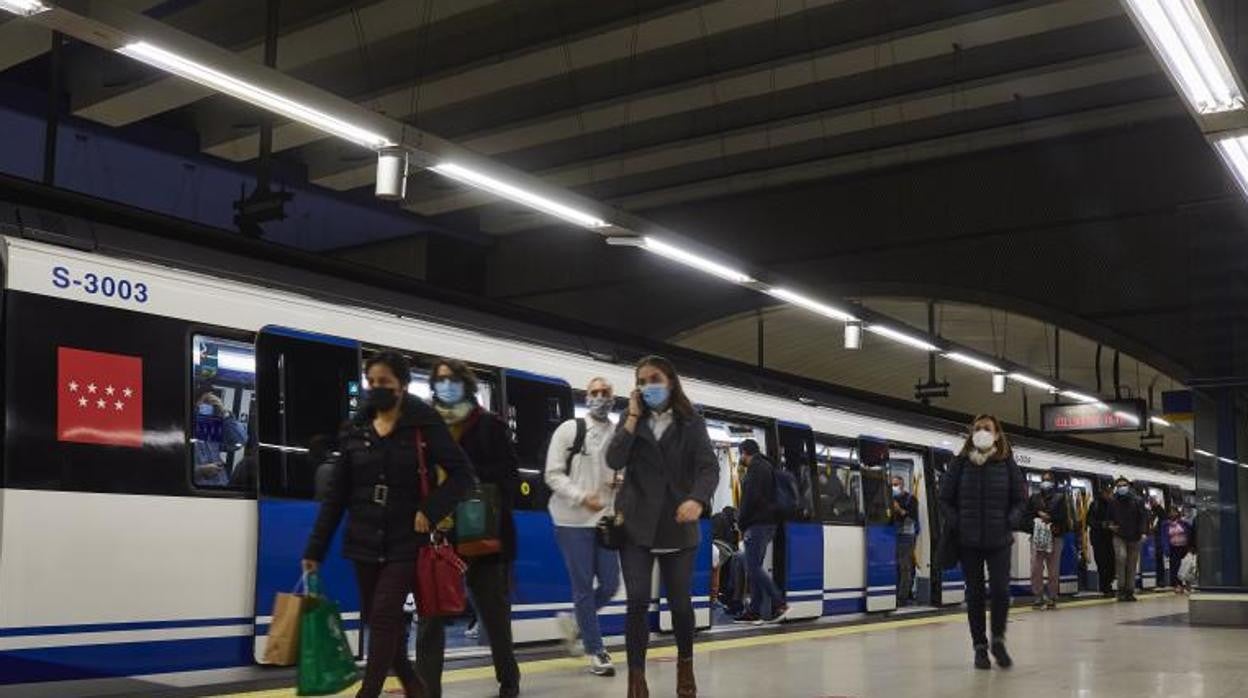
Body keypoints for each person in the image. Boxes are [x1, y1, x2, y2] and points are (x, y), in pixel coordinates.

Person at [301, 351, 472, 698]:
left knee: (383, 617)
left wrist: (431, 508)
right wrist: (315, 549)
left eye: (385, 383)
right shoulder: (356, 429)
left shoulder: (423, 425)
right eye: (372, 382)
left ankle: (370, 692)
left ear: (403, 386)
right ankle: (414, 686)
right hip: (363, 538)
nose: (377, 389)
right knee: (381, 623)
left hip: (406, 539)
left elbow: (463, 476)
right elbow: (336, 496)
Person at [607, 355, 719, 698]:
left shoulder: (691, 422)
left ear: (670, 380)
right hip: (636, 525)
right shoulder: (631, 421)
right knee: (637, 601)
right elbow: (613, 459)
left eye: (653, 379)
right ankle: (636, 682)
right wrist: (631, 418)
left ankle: (685, 667)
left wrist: (697, 500)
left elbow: (708, 469)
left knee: (680, 604)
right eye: (641, 381)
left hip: (677, 524)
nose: (647, 386)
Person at [417, 359, 521, 698]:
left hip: (484, 533)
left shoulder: (489, 425)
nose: (445, 385)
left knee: (492, 610)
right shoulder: (424, 427)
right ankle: (427, 689)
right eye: (440, 380)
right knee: (431, 614)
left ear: (466, 384)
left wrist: (465, 475)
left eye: (452, 379)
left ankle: (509, 680)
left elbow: (508, 477)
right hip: (439, 532)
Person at [543, 377, 622, 677]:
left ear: (614, 398)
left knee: (612, 584)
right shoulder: (570, 430)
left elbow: (620, 474)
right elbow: (552, 474)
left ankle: (575, 623)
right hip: (571, 520)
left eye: (606, 393)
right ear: (586, 396)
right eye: (595, 393)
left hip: (604, 521)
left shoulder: (617, 435)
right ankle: (596, 650)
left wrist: (620, 485)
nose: (600, 397)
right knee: (583, 588)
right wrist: (581, 496)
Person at [938, 414, 1026, 671]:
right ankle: (980, 647)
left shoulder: (1007, 462)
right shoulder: (961, 462)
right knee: (975, 594)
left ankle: (998, 640)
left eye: (986, 428)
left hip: (999, 539)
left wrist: (1010, 521)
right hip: (969, 541)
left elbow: (1021, 499)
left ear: (997, 434)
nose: (981, 432)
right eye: (977, 428)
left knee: (1000, 591)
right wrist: (958, 522)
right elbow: (944, 498)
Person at [733, 439, 788, 625]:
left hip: (757, 525)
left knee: (753, 567)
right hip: (767, 525)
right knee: (754, 567)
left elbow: (750, 498)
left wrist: (740, 522)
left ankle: (779, 602)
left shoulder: (756, 469)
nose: (740, 458)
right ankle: (754, 611)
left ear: (744, 452)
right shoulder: (767, 467)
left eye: (740, 454)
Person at [1027, 471, 1071, 610]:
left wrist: (1050, 518)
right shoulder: (1034, 498)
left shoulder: (1060, 498)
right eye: (1043, 480)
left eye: (1048, 480)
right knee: (1035, 567)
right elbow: (1026, 515)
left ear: (1053, 482)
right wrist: (1038, 515)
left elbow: (1064, 518)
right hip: (1037, 537)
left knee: (1053, 569)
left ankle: (1052, 596)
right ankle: (1038, 596)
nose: (1045, 482)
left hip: (1054, 537)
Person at [192, 390, 248, 487]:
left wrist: (225, 414)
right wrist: (199, 471)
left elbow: (239, 441)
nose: (206, 408)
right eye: (204, 402)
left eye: (209, 404)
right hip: (195, 492)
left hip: (220, 488)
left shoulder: (208, 427)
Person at [1108, 477, 1149, 602]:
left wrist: (1143, 533)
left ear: (1128, 486)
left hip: (1135, 536)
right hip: (1119, 535)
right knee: (1121, 558)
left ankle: (1129, 591)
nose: (1122, 488)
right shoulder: (1112, 501)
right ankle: (1120, 589)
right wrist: (1110, 525)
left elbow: (1143, 517)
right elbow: (1108, 518)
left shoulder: (1138, 500)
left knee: (1132, 564)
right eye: (1119, 486)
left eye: (1124, 485)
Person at [890, 475, 920, 607]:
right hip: (893, 535)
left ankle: (902, 598)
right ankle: (895, 593)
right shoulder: (889, 499)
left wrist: (899, 510)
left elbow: (912, 518)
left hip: (906, 536)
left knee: (905, 566)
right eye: (892, 484)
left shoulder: (910, 499)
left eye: (896, 484)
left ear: (902, 485)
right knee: (896, 566)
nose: (894, 487)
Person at [1086, 485, 1117, 597]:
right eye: (1107, 493)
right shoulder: (1095, 505)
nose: (1110, 495)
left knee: (1112, 564)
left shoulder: (1114, 505)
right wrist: (1103, 525)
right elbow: (1090, 521)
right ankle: (1106, 588)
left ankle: (1109, 584)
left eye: (1111, 493)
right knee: (1102, 564)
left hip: (1111, 538)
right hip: (1098, 539)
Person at [1163, 507, 1193, 593]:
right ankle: (1177, 585)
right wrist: (1166, 549)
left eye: (1174, 512)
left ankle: (1187, 584)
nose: (1172, 514)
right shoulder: (1165, 524)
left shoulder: (1183, 523)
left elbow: (1190, 531)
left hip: (1184, 548)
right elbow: (1164, 537)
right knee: (1175, 567)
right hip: (1173, 548)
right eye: (1171, 512)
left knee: (1186, 566)